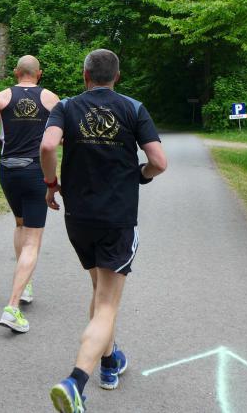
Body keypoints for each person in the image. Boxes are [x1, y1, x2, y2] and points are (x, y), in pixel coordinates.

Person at [42, 49, 167, 412]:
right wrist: (141, 174)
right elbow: (159, 162)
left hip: (78, 219)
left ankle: (110, 363)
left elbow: (48, 145)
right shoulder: (133, 108)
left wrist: (51, 183)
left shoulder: (66, 107)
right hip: (116, 219)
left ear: (85, 76)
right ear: (117, 77)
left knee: (99, 292)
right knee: (108, 304)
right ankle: (76, 381)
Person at [0, 55, 59, 333]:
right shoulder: (50, 98)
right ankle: (13, 306)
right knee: (33, 240)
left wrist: (1, 143)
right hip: (34, 170)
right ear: (39, 73)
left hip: (7, 169)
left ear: (16, 72)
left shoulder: (2, 96)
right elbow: (60, 136)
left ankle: (24, 286)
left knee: (19, 224)